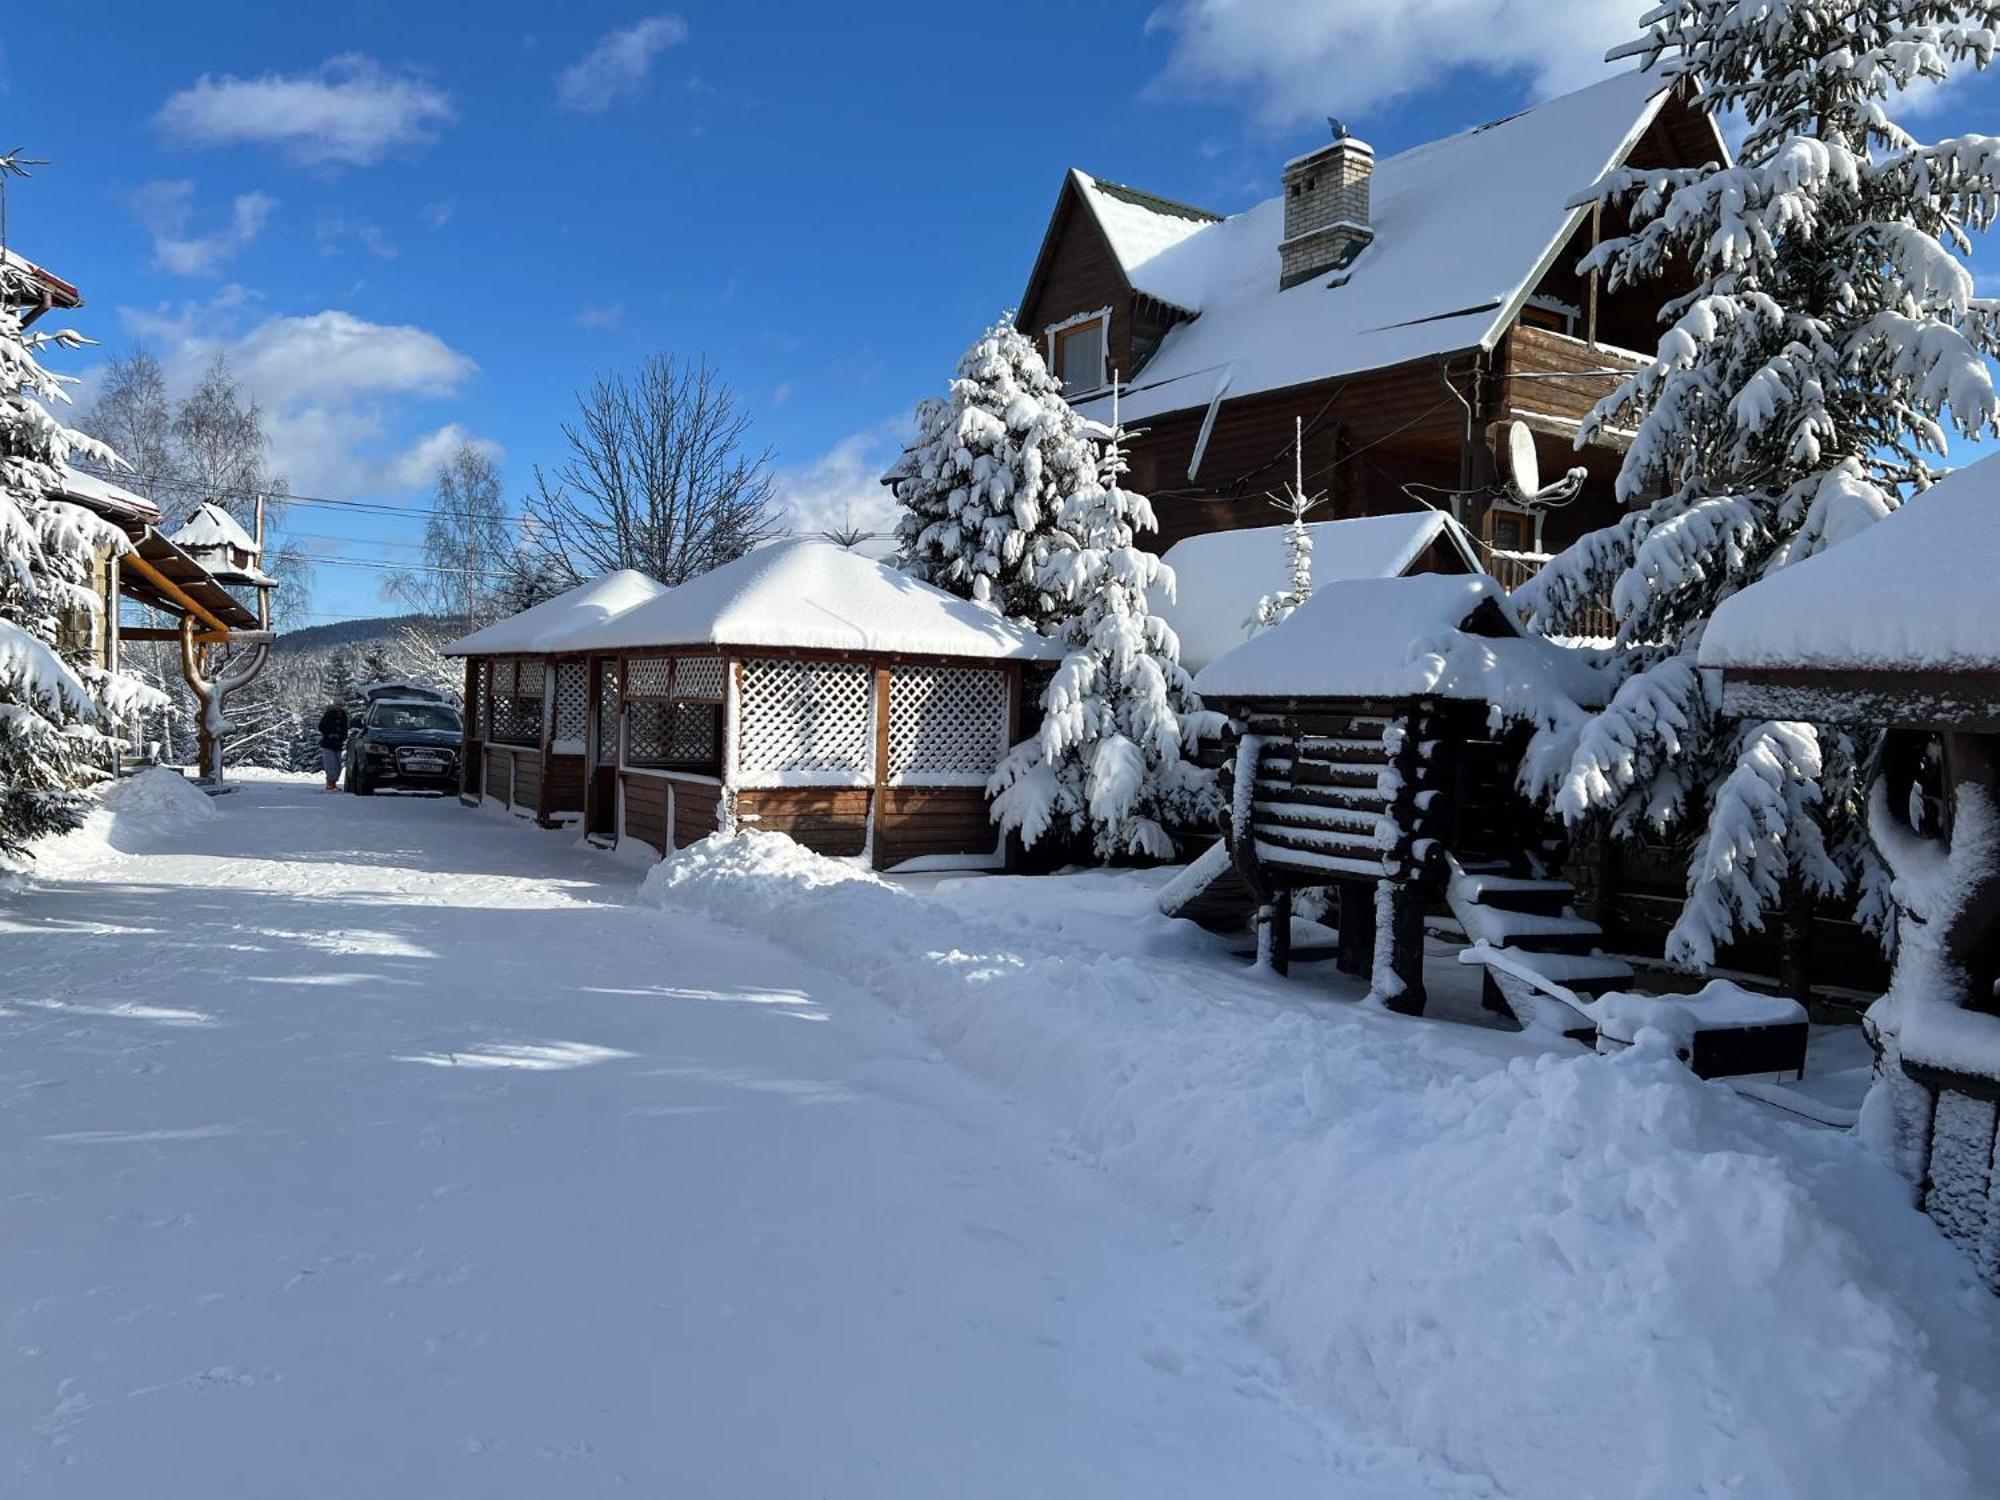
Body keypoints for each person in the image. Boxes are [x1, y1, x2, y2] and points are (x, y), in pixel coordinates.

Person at [318, 700, 350, 792]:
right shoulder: (329, 714)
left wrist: (343, 736)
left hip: (338, 744)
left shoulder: (344, 716)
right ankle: (330, 784)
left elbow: (345, 729)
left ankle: (334, 783)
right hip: (328, 743)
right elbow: (321, 727)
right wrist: (329, 734)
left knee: (337, 766)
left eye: (341, 705)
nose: (339, 707)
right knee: (330, 765)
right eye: (337, 705)